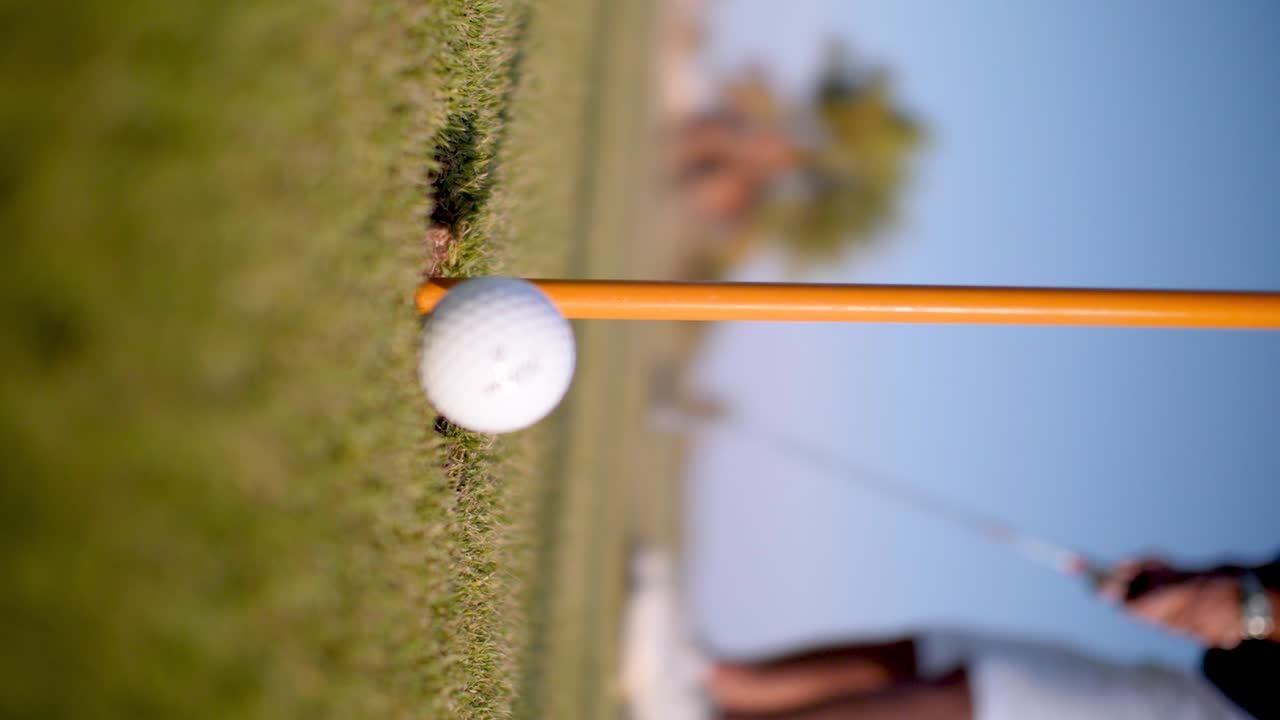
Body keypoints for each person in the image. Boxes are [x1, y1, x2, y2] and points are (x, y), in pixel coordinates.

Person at [706, 553, 1280, 719]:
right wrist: (1204, 584)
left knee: (984, 700)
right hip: (1221, 680)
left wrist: (1256, 610)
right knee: (949, 653)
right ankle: (712, 689)